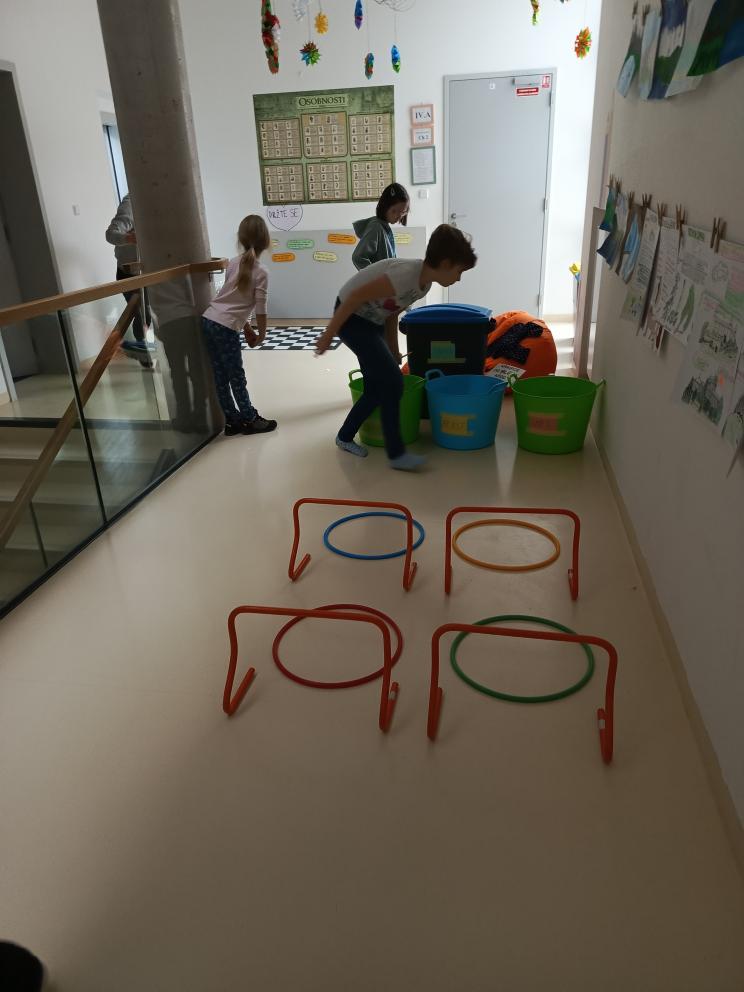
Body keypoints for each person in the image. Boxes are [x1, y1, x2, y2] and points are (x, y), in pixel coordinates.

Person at [316, 224, 477, 471]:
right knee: (393, 382)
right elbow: (354, 297)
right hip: (351, 318)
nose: (459, 278)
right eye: (459, 271)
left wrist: (392, 349)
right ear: (445, 263)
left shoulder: (424, 285)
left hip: (373, 320)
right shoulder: (405, 275)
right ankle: (397, 454)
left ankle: (344, 437)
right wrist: (328, 335)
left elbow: (391, 311)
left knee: (375, 388)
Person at [201, 215, 277, 436]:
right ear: (266, 240)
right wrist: (262, 334)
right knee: (236, 376)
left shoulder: (233, 263)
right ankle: (250, 419)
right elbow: (260, 308)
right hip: (224, 327)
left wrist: (247, 328)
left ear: (240, 239)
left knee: (221, 375)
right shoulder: (262, 271)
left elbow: (233, 300)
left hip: (209, 320)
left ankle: (232, 421)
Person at [105, 193, 156, 368]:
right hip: (129, 273)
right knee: (142, 313)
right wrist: (129, 238)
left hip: (148, 271)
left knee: (146, 314)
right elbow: (111, 234)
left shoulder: (157, 201)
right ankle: (142, 352)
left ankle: (141, 349)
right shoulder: (131, 204)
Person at [352, 183, 410, 270]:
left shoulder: (384, 227)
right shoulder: (376, 227)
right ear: (385, 207)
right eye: (394, 211)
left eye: (402, 212)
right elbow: (358, 257)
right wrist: (375, 274)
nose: (398, 216)